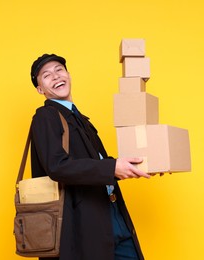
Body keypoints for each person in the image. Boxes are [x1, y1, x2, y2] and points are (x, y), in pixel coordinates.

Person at [29, 54, 150, 260]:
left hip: (111, 213)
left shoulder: (81, 120)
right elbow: (57, 166)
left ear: (68, 75)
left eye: (59, 70)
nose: (56, 76)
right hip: (83, 224)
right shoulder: (45, 117)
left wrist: (141, 164)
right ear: (40, 89)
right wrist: (111, 168)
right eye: (46, 75)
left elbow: (99, 164)